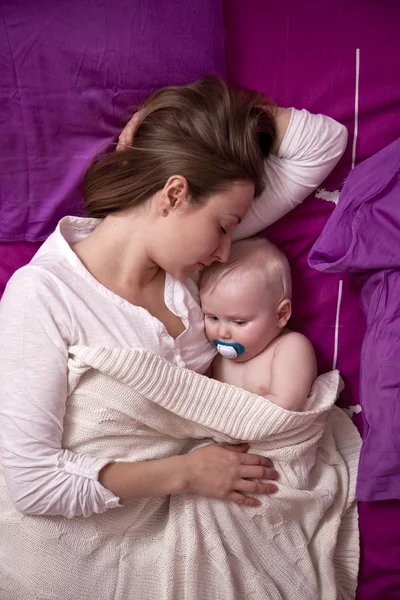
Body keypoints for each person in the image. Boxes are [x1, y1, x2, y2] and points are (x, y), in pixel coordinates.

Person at [0, 77, 347, 521]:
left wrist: (177, 119)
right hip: (105, 522)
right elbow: (33, 484)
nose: (227, 251)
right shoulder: (45, 294)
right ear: (175, 195)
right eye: (224, 226)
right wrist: (186, 473)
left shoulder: (189, 272)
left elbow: (322, 143)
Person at [199, 236, 317, 411]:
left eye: (239, 322)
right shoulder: (214, 356)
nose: (222, 332)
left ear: (281, 314)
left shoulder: (290, 347)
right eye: (213, 318)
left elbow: (288, 405)